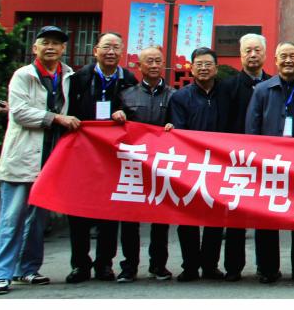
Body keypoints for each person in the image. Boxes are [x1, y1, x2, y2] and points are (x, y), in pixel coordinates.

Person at [0, 25, 80, 295]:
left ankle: (27, 269)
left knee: (38, 219)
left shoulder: (68, 76)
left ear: (63, 49)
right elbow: (20, 113)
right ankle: (0, 274)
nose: (51, 47)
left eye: (56, 43)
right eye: (45, 42)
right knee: (11, 219)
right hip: (22, 156)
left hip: (51, 159)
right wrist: (56, 118)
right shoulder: (23, 75)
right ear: (35, 48)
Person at [65, 31, 137, 283]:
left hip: (111, 156)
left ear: (122, 52)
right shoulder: (79, 79)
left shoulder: (128, 79)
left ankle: (104, 264)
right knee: (78, 211)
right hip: (82, 153)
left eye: (116, 48)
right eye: (106, 47)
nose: (111, 52)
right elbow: (65, 110)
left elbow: (133, 112)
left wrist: (123, 113)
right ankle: (80, 265)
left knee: (109, 211)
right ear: (95, 50)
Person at [245, 40, 294, 284]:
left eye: (293, 56)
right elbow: (252, 126)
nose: (288, 60)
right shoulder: (262, 90)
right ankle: (267, 268)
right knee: (267, 217)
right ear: (275, 60)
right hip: (269, 164)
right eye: (283, 56)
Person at [167, 47, 230, 282]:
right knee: (188, 218)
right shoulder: (180, 97)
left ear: (216, 68)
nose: (203, 68)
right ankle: (190, 266)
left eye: (208, 64)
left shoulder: (227, 94)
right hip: (190, 165)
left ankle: (210, 265)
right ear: (191, 68)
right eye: (199, 64)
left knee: (216, 218)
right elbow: (179, 131)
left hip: (220, 164)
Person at [113, 46, 175, 282]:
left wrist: (174, 126)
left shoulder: (173, 95)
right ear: (139, 66)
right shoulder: (126, 95)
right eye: (149, 61)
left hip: (162, 164)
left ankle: (158, 265)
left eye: (158, 61)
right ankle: (129, 266)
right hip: (133, 164)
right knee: (130, 219)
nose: (154, 65)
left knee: (161, 218)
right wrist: (117, 116)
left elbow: (180, 124)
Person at [217, 33, 271, 281]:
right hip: (236, 160)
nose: (253, 55)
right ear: (240, 55)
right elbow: (222, 123)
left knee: (265, 216)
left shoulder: (273, 83)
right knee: (236, 215)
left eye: (257, 50)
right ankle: (233, 267)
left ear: (265, 54)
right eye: (248, 50)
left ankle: (266, 267)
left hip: (267, 161)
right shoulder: (227, 86)